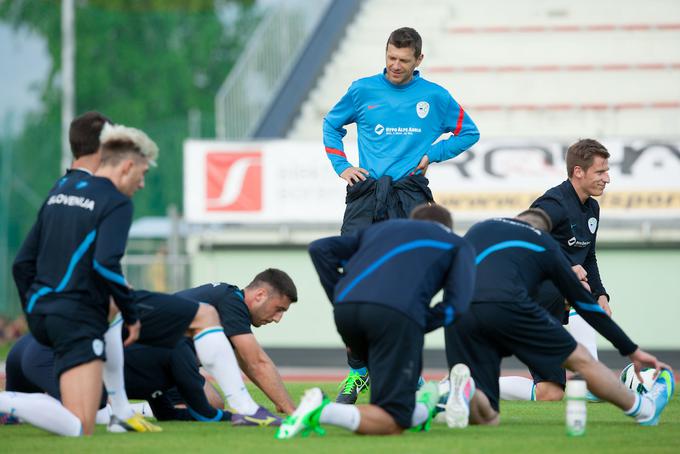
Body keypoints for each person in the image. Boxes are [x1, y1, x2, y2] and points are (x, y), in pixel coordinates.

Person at [322, 26, 480, 403]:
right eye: (390, 57)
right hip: (366, 195)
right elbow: (331, 124)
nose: (395, 66)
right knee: (350, 280)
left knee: (410, 283)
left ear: (418, 61)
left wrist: (432, 155)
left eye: (403, 61)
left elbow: (468, 132)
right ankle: (358, 371)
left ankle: (408, 373)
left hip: (410, 196)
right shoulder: (362, 90)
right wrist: (342, 166)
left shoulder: (435, 97)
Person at [442, 209, 674, 428]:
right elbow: (584, 304)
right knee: (582, 360)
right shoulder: (545, 243)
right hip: (507, 304)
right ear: (544, 231)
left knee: (487, 417)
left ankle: (458, 392)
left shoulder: (481, 227)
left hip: (459, 310)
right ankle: (645, 410)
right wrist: (631, 349)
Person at [1, 123, 158, 436]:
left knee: (82, 423)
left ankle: (120, 412)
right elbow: (106, 263)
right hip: (77, 317)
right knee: (79, 427)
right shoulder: (116, 202)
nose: (141, 184)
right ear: (127, 166)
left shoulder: (61, 190)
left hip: (43, 312)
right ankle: (5, 401)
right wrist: (131, 313)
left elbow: (22, 263)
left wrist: (33, 308)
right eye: (142, 174)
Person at [275, 204, 476, 439]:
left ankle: (428, 400)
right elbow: (457, 306)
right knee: (394, 420)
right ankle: (323, 410)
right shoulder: (458, 244)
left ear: (413, 220)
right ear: (447, 227)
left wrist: (339, 296)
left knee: (387, 408)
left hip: (346, 315)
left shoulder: (382, 229)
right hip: (395, 318)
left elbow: (319, 248)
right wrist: (418, 323)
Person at [499, 139, 612, 402]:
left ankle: (470, 384)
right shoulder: (554, 203)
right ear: (578, 172)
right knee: (576, 290)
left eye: (607, 171)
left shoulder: (592, 207)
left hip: (555, 301)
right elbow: (524, 234)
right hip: (530, 300)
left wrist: (601, 294)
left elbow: (588, 257)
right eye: (600, 171)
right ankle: (595, 378)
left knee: (550, 394)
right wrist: (564, 267)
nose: (607, 178)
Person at [4, 334, 232, 423]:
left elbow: (167, 413)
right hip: (45, 353)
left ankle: (8, 403)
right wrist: (236, 418)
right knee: (86, 419)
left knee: (11, 422)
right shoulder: (180, 351)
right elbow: (206, 411)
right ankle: (4, 400)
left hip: (29, 346)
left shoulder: (166, 353)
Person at [175, 268, 299, 419]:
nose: (277, 319)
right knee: (200, 407)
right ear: (260, 295)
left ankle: (142, 409)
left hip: (165, 358)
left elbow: (247, 362)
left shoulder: (227, 300)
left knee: (213, 403)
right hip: (155, 357)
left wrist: (280, 402)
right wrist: (292, 410)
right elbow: (257, 363)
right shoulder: (232, 302)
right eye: (278, 309)